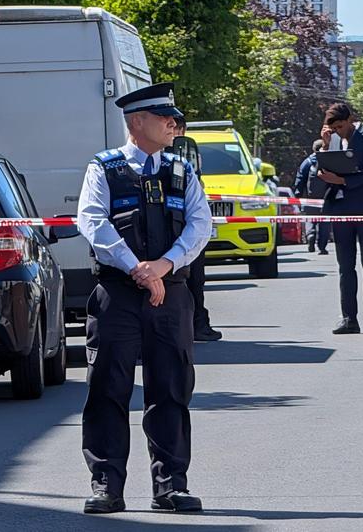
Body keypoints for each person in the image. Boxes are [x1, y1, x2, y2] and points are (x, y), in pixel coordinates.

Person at [77, 82, 212, 514]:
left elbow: (199, 226)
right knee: (107, 390)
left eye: (173, 117)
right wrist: (137, 266)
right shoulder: (104, 168)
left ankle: (170, 486)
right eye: (163, 117)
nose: (173, 124)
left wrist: (164, 266)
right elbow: (93, 223)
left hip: (170, 295)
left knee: (171, 390)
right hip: (118, 294)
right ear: (137, 122)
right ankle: (106, 486)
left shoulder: (182, 170)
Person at [318, 103, 363, 334]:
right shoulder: (333, 140)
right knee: (345, 266)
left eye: (340, 126)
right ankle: (349, 318)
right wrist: (325, 147)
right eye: (333, 128)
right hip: (341, 209)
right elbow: (323, 172)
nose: (337, 131)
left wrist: (343, 181)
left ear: (350, 120)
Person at [170, 115, 222, 341]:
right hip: (179, 224)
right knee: (190, 278)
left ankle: (197, 323)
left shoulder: (184, 154)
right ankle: (195, 323)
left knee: (194, 278)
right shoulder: (174, 153)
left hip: (183, 223)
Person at [294, 139, 330, 255]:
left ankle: (311, 234)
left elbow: (300, 177)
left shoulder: (308, 162)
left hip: (310, 197)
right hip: (326, 197)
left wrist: (298, 193)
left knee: (311, 218)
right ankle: (322, 246)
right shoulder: (329, 161)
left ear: (313, 148)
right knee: (325, 222)